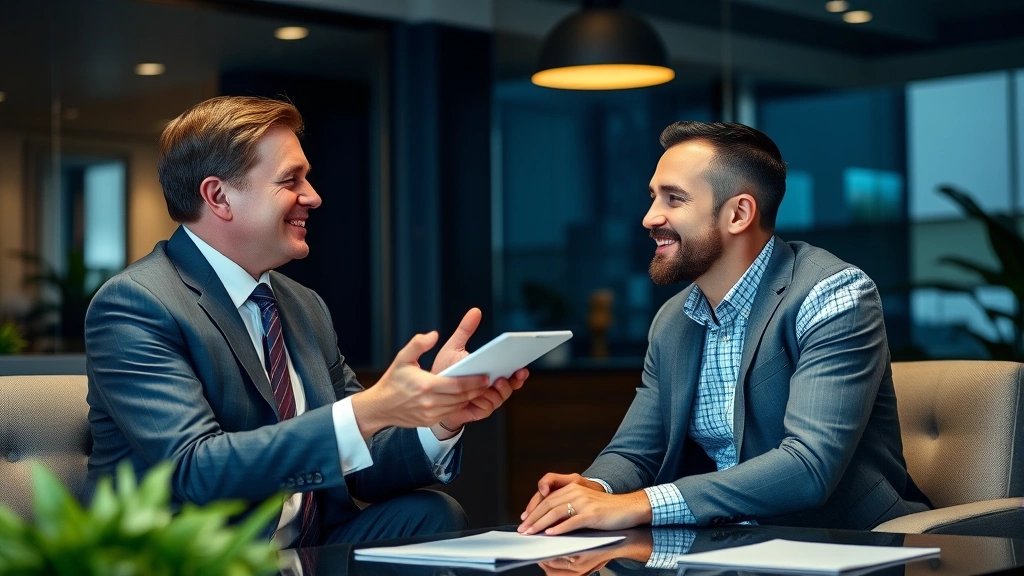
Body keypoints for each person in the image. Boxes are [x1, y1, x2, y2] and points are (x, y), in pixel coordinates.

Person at [84, 95, 528, 548]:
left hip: (307, 544)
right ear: (218, 196)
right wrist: (368, 410)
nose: (313, 196)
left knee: (431, 515)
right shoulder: (136, 303)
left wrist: (439, 420)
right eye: (290, 180)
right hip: (199, 554)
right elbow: (195, 470)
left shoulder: (302, 305)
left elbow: (361, 458)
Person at [518, 121, 930, 536]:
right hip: (729, 544)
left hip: (845, 543)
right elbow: (635, 452)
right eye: (652, 197)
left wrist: (639, 504)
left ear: (738, 214)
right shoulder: (673, 321)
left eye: (674, 199)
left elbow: (808, 466)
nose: (648, 217)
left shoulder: (834, 294)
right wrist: (591, 489)